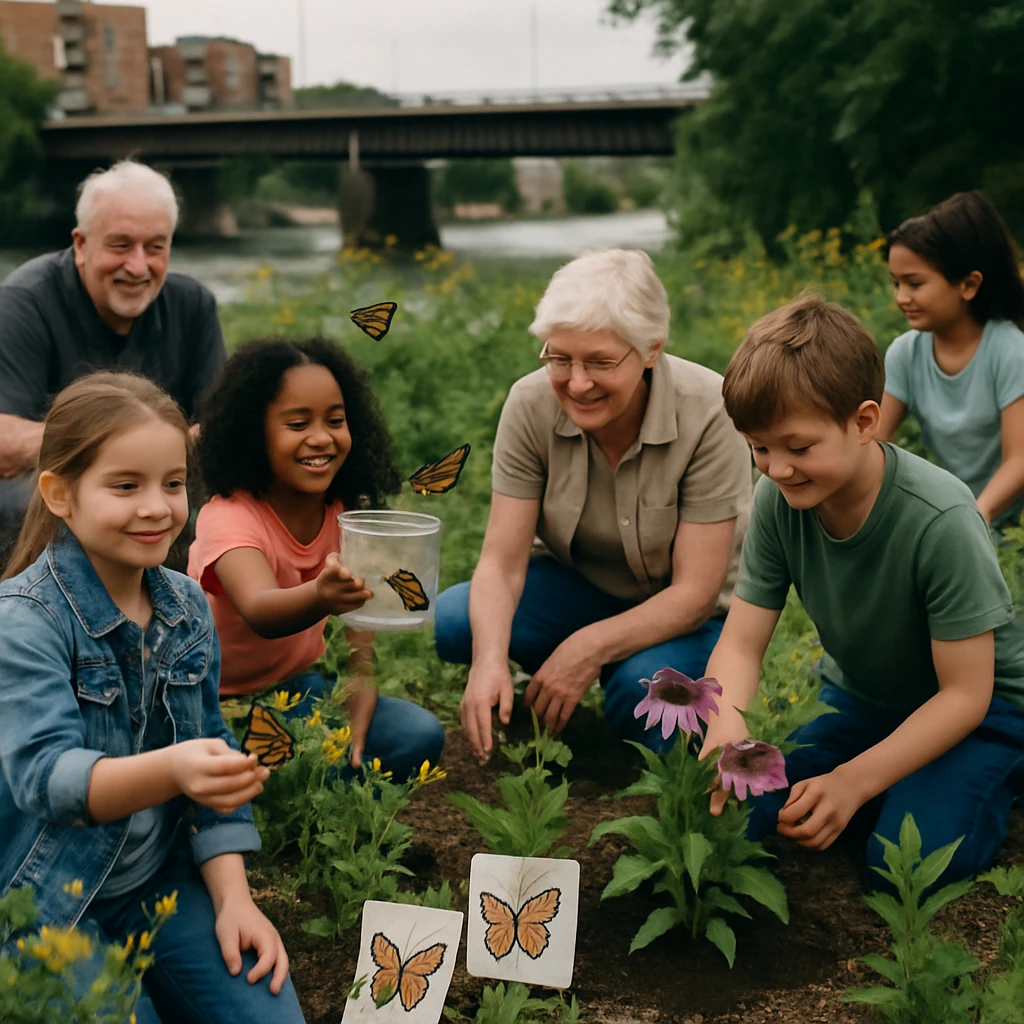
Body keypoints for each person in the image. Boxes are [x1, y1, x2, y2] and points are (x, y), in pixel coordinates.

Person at [0, 373, 304, 1024]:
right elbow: (48, 781)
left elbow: (211, 756)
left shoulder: (185, 602)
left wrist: (234, 900)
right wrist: (172, 769)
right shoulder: (23, 621)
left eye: (172, 483)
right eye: (125, 485)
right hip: (43, 892)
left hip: (155, 882)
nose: (158, 507)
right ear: (59, 493)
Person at [699, 293, 1024, 885]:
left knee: (903, 862)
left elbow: (965, 694)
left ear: (865, 421)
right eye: (759, 448)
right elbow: (742, 642)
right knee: (746, 812)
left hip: (978, 714)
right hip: (859, 700)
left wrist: (854, 780)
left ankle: (971, 780)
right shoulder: (777, 498)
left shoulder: (940, 518)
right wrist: (726, 721)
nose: (777, 468)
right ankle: (888, 782)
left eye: (798, 447)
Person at [435, 248, 753, 760]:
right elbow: (500, 562)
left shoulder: (711, 413)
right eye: (560, 358)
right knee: (458, 622)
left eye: (601, 362)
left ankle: (622, 696)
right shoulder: (530, 403)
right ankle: (555, 692)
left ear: (651, 350)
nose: (577, 383)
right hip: (580, 587)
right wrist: (488, 661)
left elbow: (694, 593)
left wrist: (584, 650)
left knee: (644, 695)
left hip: (688, 611)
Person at [188, 338, 445, 781]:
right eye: (297, 423)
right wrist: (321, 595)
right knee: (237, 770)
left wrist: (360, 686)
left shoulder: (343, 512)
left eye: (335, 420)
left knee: (416, 734)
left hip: (293, 692)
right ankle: (289, 787)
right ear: (254, 433)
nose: (321, 437)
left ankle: (318, 787)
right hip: (210, 703)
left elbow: (358, 621)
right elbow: (260, 609)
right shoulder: (229, 517)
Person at [0, 159, 226, 569]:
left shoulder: (193, 305)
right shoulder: (22, 302)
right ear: (81, 244)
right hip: (54, 494)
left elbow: (220, 428)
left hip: (163, 485)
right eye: (121, 245)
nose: (138, 266)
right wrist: (131, 446)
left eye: (155, 247)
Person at [879, 191, 1024, 527]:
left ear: (969, 285)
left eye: (914, 283)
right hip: (953, 518)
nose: (902, 297)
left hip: (1007, 528)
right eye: (896, 283)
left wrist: (975, 514)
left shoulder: (1010, 351)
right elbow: (874, 446)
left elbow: (1019, 460)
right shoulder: (905, 353)